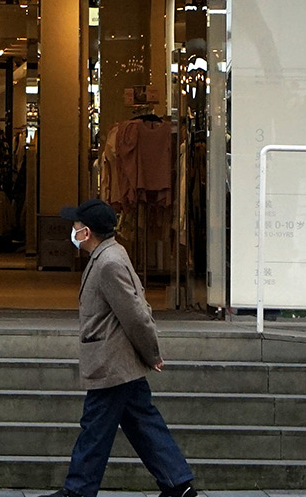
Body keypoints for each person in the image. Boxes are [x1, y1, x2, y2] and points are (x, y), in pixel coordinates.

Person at [42, 198, 199, 497]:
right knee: (143, 423)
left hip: (112, 361)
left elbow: (135, 314)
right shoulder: (110, 254)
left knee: (96, 427)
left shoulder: (108, 263)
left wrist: (152, 353)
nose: (73, 230)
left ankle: (78, 490)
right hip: (120, 361)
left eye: (76, 225)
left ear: (87, 232)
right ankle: (179, 485)